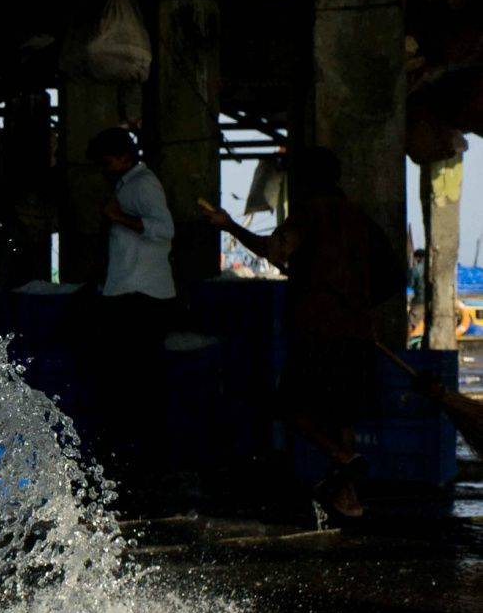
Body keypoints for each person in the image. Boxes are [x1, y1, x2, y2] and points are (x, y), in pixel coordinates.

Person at [202, 147, 404, 518]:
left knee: (288, 406)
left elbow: (271, 248)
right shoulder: (360, 218)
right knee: (343, 416)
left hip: (317, 332)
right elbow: (394, 276)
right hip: (356, 332)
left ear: (306, 181)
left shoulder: (309, 214)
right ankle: (350, 500)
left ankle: (344, 458)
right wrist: (357, 304)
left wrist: (228, 225)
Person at [85, 127, 176, 485]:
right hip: (130, 292)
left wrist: (117, 216)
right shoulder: (128, 184)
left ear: (124, 157)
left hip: (142, 298)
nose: (104, 168)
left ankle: (146, 463)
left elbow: (164, 229)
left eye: (107, 161)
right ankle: (140, 460)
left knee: (137, 382)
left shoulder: (142, 185)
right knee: (133, 381)